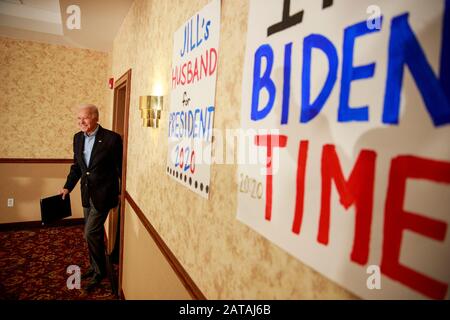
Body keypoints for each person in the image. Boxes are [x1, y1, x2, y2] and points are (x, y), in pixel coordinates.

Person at [60, 104, 122, 292]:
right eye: (79, 119)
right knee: (91, 233)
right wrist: (67, 187)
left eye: (85, 118)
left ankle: (99, 271)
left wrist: (119, 192)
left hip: (104, 194)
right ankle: (94, 267)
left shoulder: (111, 139)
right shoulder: (77, 138)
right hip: (86, 193)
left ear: (95, 117)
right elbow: (78, 166)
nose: (81, 122)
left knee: (90, 232)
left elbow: (120, 167)